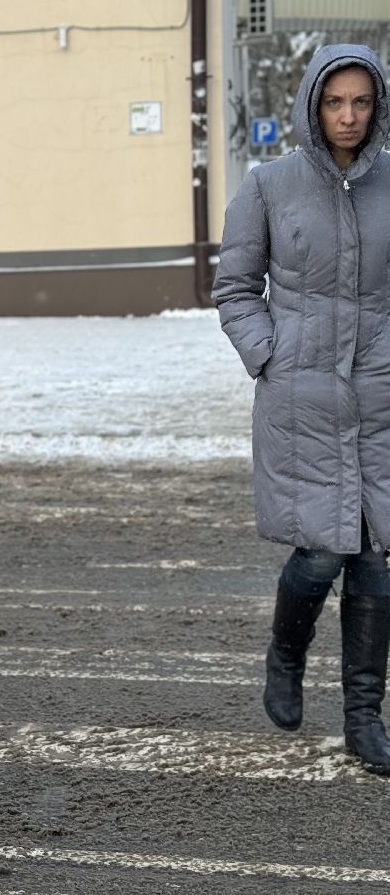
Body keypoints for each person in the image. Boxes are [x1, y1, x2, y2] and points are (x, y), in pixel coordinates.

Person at [214, 43, 390, 775]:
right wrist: (269, 354)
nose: (348, 116)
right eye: (334, 102)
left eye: (361, 102)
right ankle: (285, 656)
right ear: (312, 106)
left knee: (377, 557)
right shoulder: (269, 184)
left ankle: (362, 716)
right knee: (321, 549)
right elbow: (234, 288)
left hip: (381, 396)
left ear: (377, 106)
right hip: (303, 396)